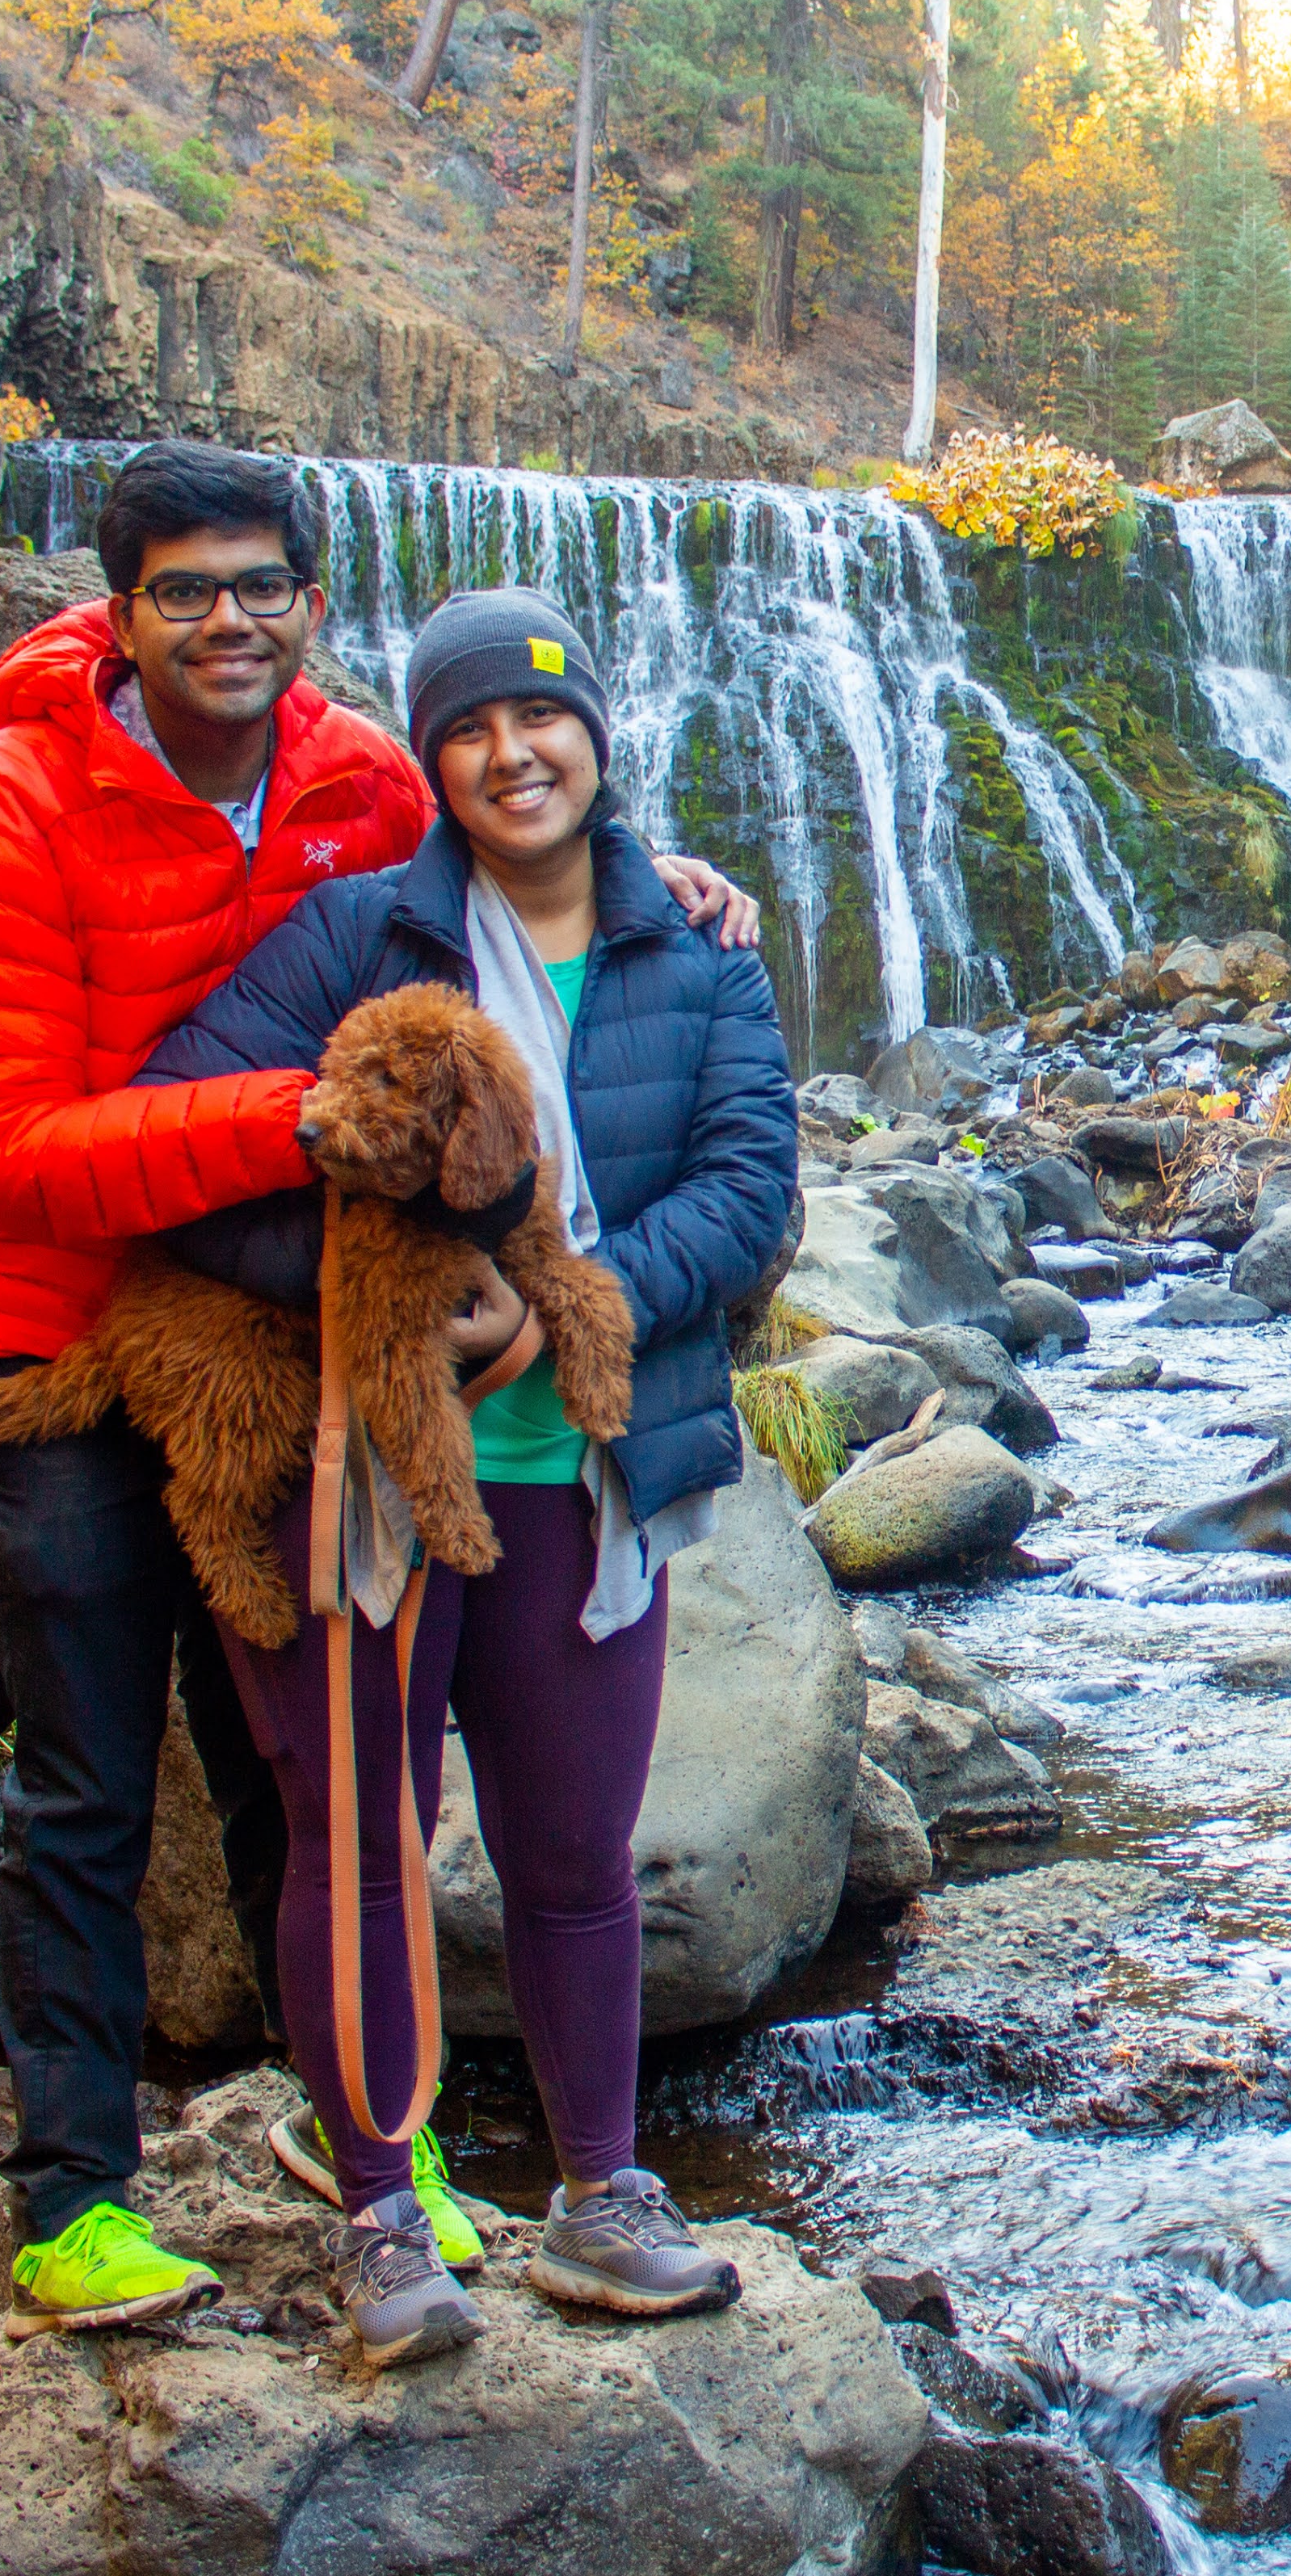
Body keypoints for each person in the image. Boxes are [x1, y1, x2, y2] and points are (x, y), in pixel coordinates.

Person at [0, 445, 760, 2339]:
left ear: (309, 605)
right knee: (91, 1781)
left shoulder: (359, 774)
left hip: (308, 1346)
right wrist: (302, 1120)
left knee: (305, 1792)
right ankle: (74, 2196)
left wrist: (658, 873)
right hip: (54, 1326)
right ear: (117, 611)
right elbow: (19, 1149)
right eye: (186, 590)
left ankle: (383, 2150)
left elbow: (533, 860)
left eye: (262, 586)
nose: (228, 619)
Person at [138, 588, 800, 2366]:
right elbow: (192, 1138)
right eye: (473, 727)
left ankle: (601, 2195)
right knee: (359, 1850)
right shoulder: (361, 937)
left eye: (543, 718)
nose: (516, 753)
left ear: (595, 737)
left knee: (575, 1856)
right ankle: (377, 2214)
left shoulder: (702, 948)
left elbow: (750, 1195)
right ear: (434, 758)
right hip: (369, 1471)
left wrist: (560, 1313)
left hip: (585, 1473)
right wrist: (397, 1304)